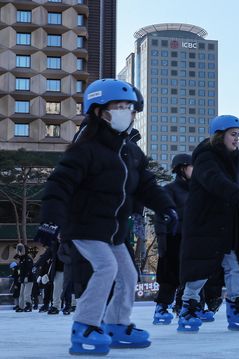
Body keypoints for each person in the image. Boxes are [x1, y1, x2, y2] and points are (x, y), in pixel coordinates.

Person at [35, 78, 177, 355]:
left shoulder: (130, 152)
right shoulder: (85, 149)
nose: (127, 112)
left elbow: (146, 184)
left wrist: (167, 207)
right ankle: (84, 325)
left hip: (113, 232)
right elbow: (59, 185)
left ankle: (116, 324)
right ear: (99, 111)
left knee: (128, 274)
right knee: (107, 268)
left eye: (130, 107)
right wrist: (50, 221)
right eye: (119, 106)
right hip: (86, 226)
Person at [178, 114, 239, 332]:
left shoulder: (233, 161)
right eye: (233, 134)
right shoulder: (205, 158)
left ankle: (235, 306)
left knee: (235, 265)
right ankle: (189, 306)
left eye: (238, 135)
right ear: (220, 136)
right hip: (205, 222)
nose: (236, 139)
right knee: (201, 267)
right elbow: (215, 182)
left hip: (228, 223)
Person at [153, 153, 193, 325]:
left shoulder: (196, 191)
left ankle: (184, 307)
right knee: (170, 277)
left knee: (190, 276)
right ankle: (161, 308)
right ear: (182, 168)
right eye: (192, 167)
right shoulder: (169, 189)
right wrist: (162, 240)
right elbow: (161, 215)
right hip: (173, 239)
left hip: (191, 240)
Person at [14, 243, 34, 312]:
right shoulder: (22, 259)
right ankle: (21, 306)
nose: (20, 251)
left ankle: (28, 305)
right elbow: (20, 269)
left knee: (26, 293)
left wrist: (26, 276)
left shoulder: (28, 258)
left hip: (29, 279)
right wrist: (20, 277)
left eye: (21, 250)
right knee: (21, 294)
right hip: (23, 279)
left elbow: (29, 268)